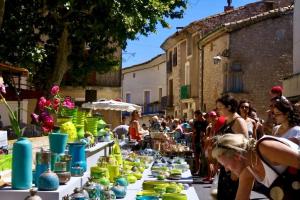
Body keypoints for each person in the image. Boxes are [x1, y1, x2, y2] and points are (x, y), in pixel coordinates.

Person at [212, 133, 300, 200]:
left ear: (237, 156)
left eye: (225, 165)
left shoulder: (264, 148)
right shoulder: (248, 170)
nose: (227, 169)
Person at [215, 94, 248, 200]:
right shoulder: (227, 120)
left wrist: (235, 173)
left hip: (235, 168)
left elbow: (245, 146)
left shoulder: (238, 121)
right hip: (226, 166)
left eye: (220, 107)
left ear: (229, 107)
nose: (218, 110)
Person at [192, 110, 208, 176]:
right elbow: (194, 133)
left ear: (200, 114)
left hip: (204, 142)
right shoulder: (196, 122)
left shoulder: (206, 122)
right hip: (196, 141)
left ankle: (204, 172)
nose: (196, 117)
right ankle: (197, 171)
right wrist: (193, 142)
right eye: (195, 116)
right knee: (196, 157)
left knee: (204, 158)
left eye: (196, 116)